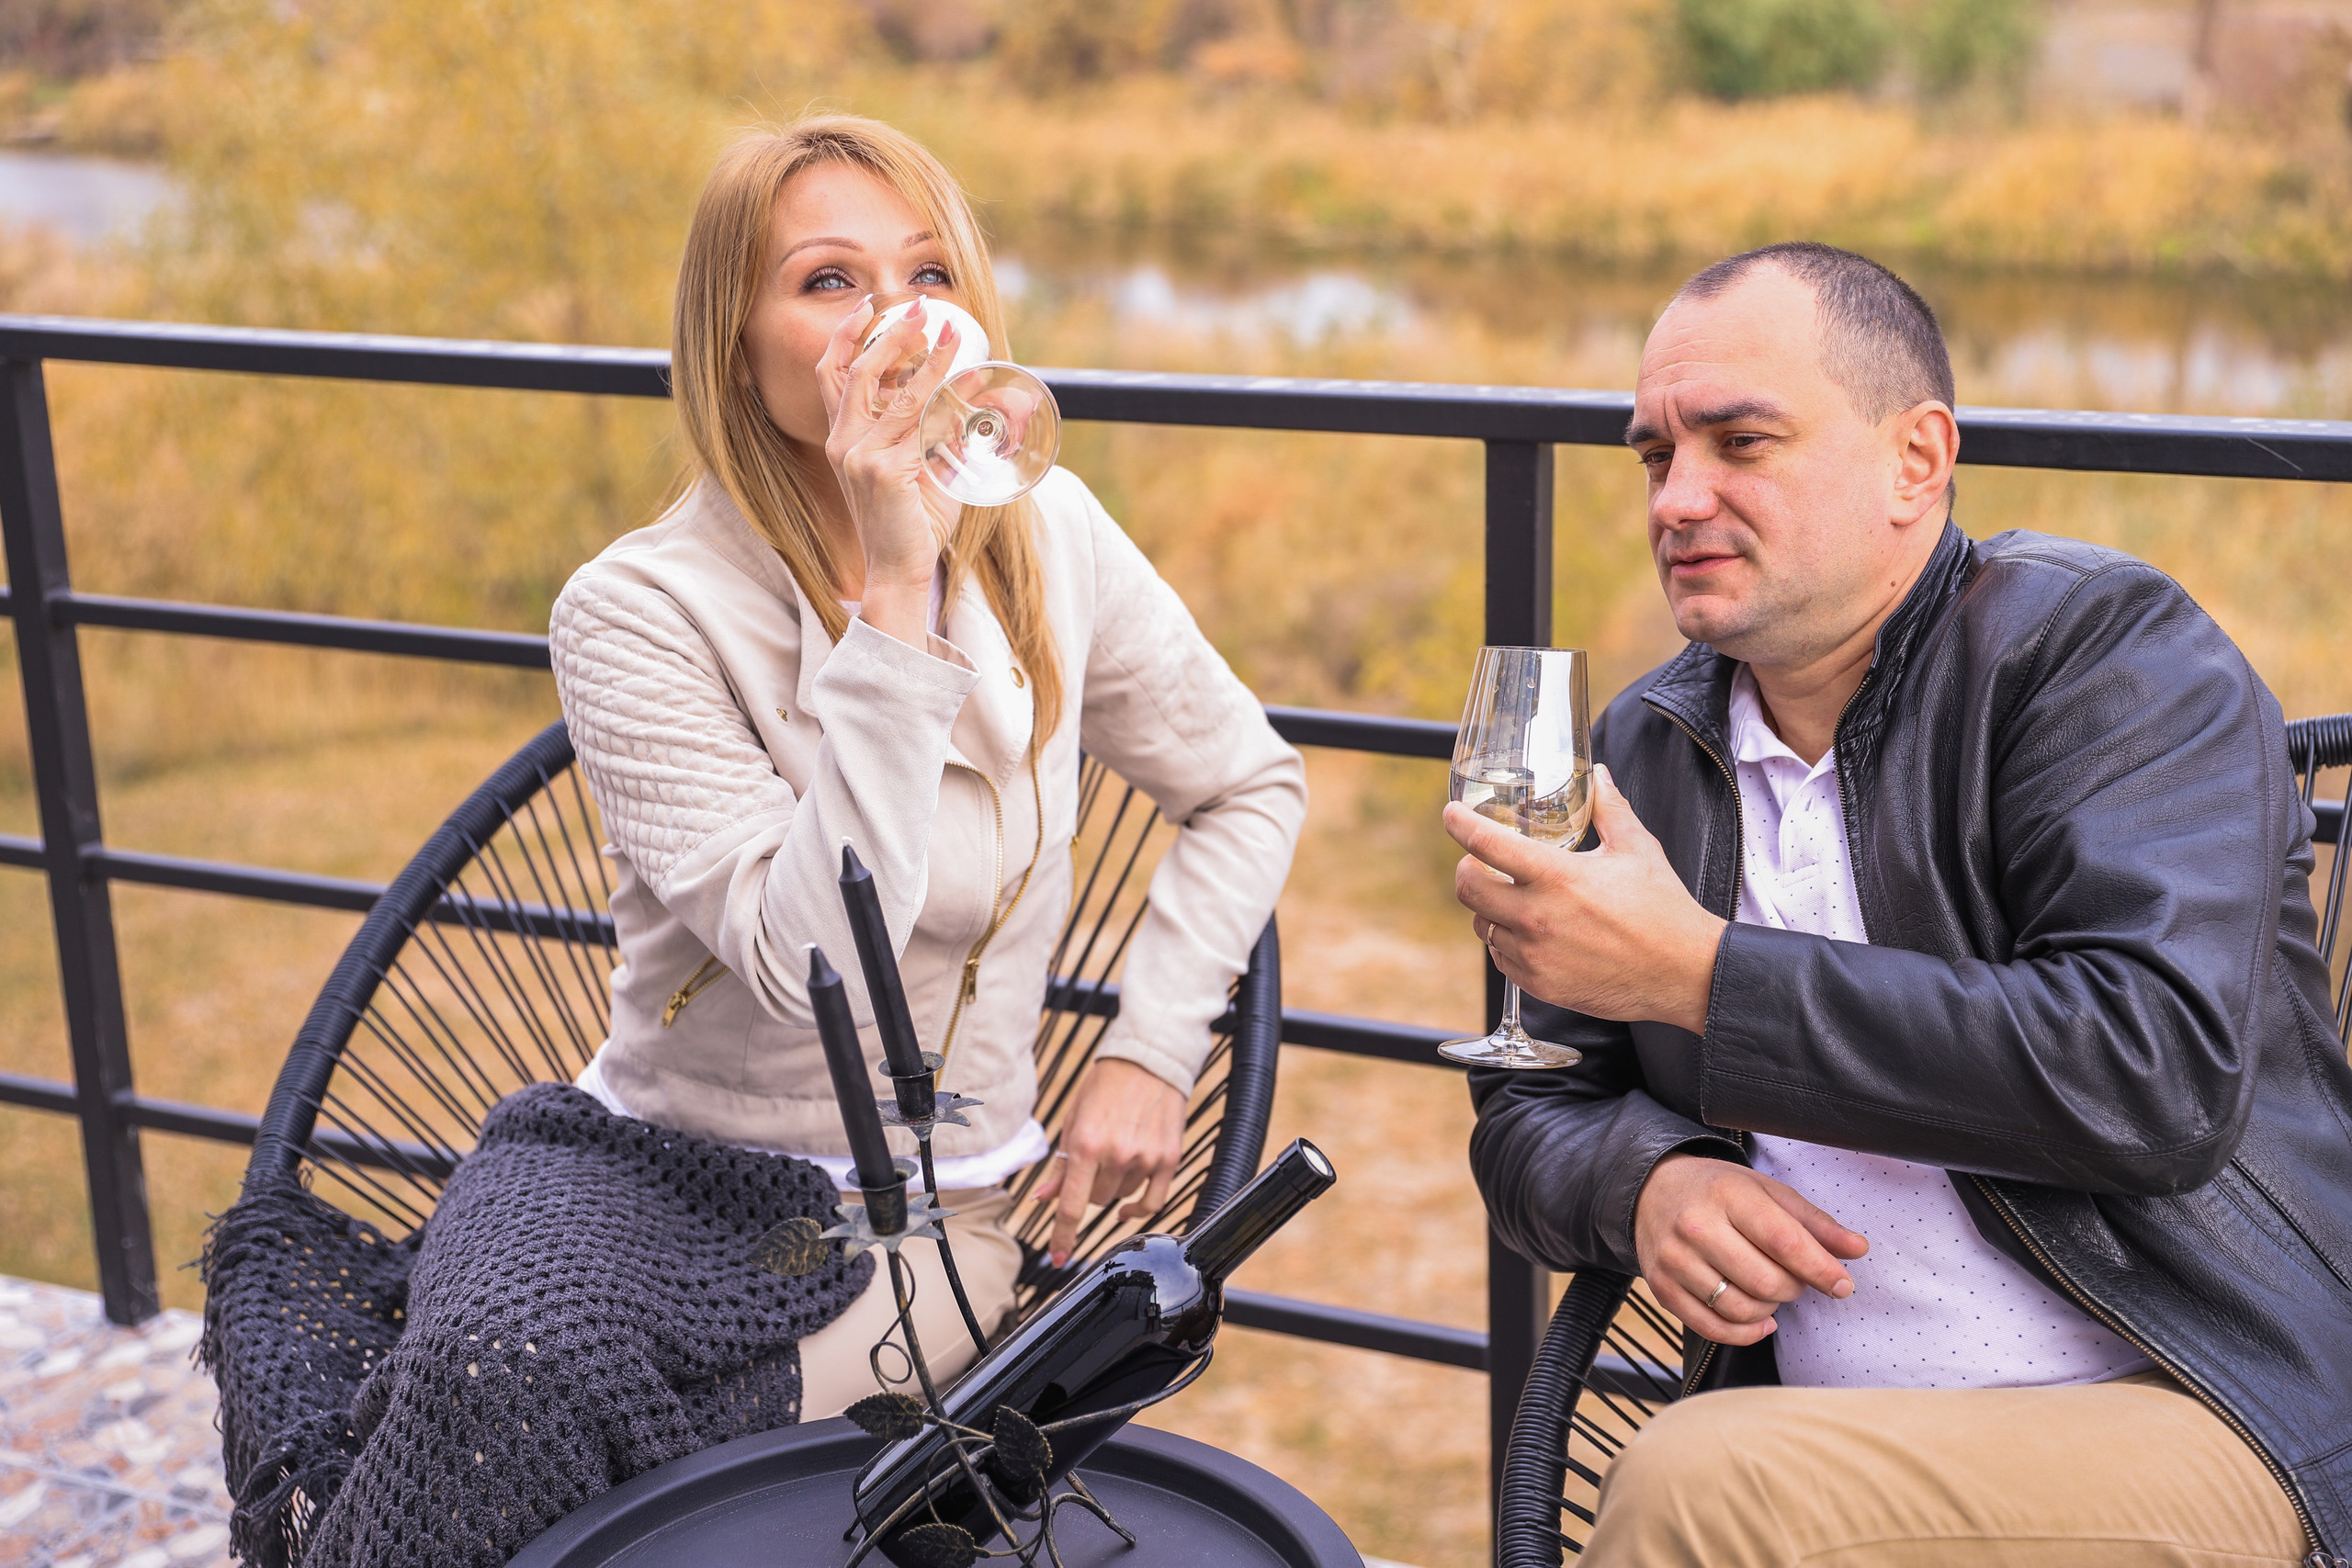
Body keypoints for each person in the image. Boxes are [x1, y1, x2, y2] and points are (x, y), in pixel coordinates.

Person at [1453, 242, 2352, 1567]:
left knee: (1698, 1493)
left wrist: (1701, 978)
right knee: (1724, 1481)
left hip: (2199, 1398)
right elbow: (1533, 1106)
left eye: (1741, 443)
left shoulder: (2101, 657)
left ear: (1916, 460)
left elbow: (2152, 1074)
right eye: (1655, 456)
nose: (1678, 499)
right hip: (1828, 1427)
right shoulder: (1647, 747)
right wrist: (1649, 1184)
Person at [549, 115, 1306, 1415]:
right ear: (734, 342)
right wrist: (899, 590)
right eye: (830, 281)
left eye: (929, 273)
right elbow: (816, 968)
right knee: (510, 1395)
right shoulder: (636, 610)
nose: (896, 323)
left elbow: (1247, 784)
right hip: (675, 1185)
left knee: (671, 1448)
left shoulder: (1049, 534)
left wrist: (1151, 1049)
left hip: (934, 1212)